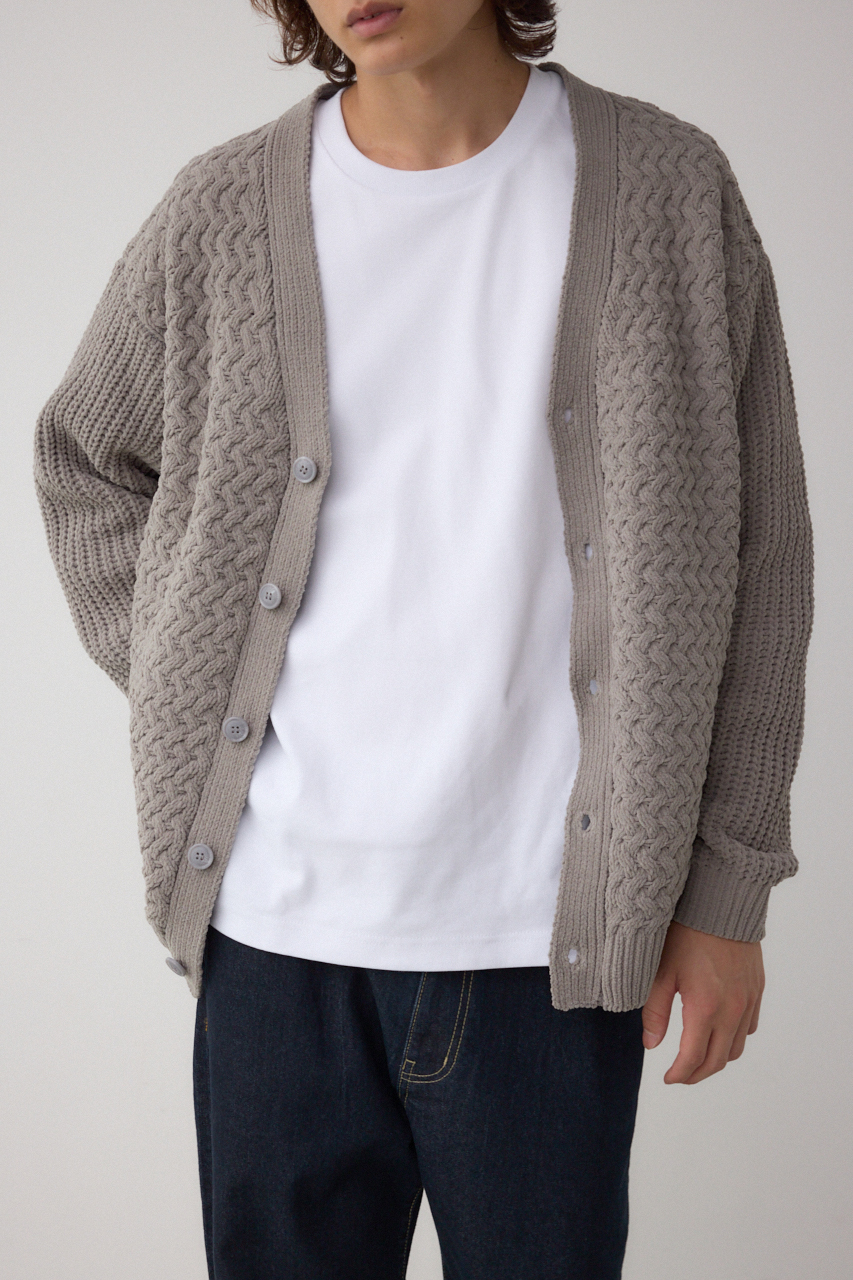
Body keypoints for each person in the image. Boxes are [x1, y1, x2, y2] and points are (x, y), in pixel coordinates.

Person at [32, 1, 814, 1276]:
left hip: (545, 944)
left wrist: (728, 890)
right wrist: (191, 663)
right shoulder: (221, 212)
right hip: (276, 936)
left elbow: (764, 560)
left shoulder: (669, 190)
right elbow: (83, 459)